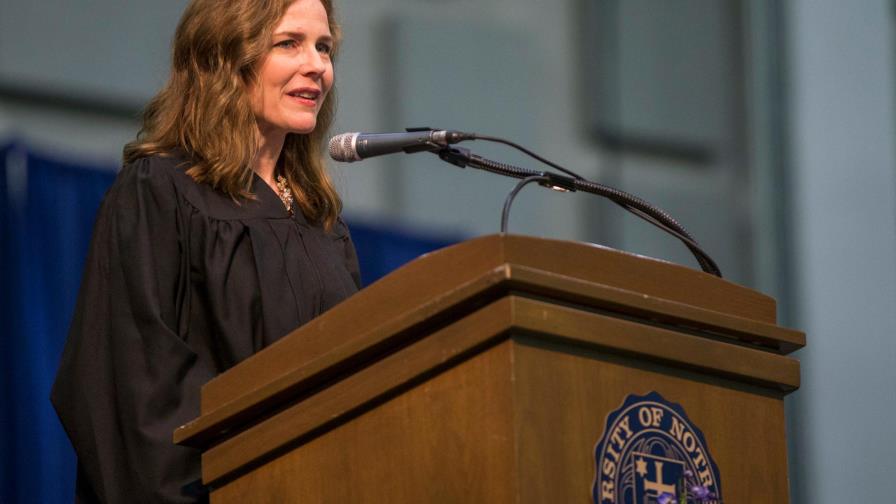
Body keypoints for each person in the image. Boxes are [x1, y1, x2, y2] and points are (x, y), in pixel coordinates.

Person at [50, 0, 360, 502]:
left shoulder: (321, 223)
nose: (317, 65)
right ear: (225, 56)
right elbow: (135, 393)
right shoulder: (160, 192)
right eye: (289, 43)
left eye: (324, 47)